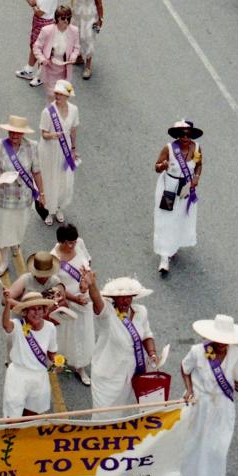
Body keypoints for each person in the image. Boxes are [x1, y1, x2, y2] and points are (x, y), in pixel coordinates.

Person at [178, 314, 238, 476]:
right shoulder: (198, 351)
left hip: (222, 409)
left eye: (225, 341)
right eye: (218, 340)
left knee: (218, 451)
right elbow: (185, 368)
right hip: (200, 406)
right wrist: (189, 389)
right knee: (195, 443)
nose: (221, 344)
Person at [85, 275, 157, 409]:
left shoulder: (140, 311)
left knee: (118, 413)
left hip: (128, 375)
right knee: (103, 414)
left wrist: (152, 354)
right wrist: (92, 285)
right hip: (107, 376)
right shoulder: (107, 313)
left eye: (130, 296)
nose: (126, 300)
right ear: (114, 298)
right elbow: (96, 300)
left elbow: (147, 335)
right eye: (122, 297)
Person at [0, 115, 46, 276]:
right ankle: (5, 261)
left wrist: (41, 193)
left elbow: (36, 171)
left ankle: (15, 243)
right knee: (4, 229)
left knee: (19, 227)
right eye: (11, 132)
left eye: (18, 133)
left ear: (24, 134)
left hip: (23, 197)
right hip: (4, 196)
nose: (14, 136)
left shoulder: (32, 147)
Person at [154, 119, 203, 275]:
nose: (185, 137)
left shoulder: (197, 148)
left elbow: (199, 164)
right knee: (166, 219)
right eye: (182, 134)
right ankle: (164, 256)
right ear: (177, 135)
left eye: (188, 134)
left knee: (180, 217)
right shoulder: (169, 149)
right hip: (168, 188)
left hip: (185, 189)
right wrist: (163, 166)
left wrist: (196, 177)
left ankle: (173, 245)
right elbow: (157, 166)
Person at [2, 291, 58, 417]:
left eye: (40, 309)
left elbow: (52, 353)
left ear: (44, 311)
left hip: (39, 377)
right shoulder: (17, 325)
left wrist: (57, 364)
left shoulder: (50, 328)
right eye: (33, 309)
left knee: (32, 416)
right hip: (18, 375)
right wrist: (7, 305)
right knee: (13, 416)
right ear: (25, 311)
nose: (37, 312)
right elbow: (6, 326)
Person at [51, 223, 94, 386]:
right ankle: (61, 357)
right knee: (66, 332)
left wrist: (85, 283)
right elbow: (55, 286)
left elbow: (88, 262)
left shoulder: (79, 243)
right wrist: (75, 299)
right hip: (68, 301)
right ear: (61, 241)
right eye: (69, 243)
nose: (73, 246)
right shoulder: (54, 258)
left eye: (74, 242)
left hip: (84, 297)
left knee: (82, 332)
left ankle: (80, 366)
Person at [39, 80, 79, 225]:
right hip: (50, 150)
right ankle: (48, 210)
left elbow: (73, 130)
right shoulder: (48, 112)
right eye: (56, 93)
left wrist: (74, 149)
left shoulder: (74, 110)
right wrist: (52, 135)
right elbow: (43, 134)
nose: (57, 96)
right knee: (50, 178)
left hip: (65, 149)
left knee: (64, 179)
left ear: (67, 96)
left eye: (60, 94)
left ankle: (60, 207)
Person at [17, 0, 58, 87]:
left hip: (45, 24)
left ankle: (41, 76)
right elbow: (33, 2)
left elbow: (40, 12)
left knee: (41, 50)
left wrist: (34, 8)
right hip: (37, 22)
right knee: (33, 46)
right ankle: (29, 70)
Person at [63, 0, 103, 80]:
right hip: (76, 15)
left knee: (88, 38)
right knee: (76, 36)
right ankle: (79, 57)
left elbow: (99, 3)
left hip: (89, 17)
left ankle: (88, 66)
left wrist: (100, 19)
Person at [33, 5, 80, 96]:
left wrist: (73, 57)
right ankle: (50, 110)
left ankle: (62, 109)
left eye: (69, 18)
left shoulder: (74, 30)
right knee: (53, 96)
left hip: (65, 70)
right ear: (57, 19)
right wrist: (42, 59)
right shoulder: (47, 30)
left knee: (65, 96)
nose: (66, 21)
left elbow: (76, 47)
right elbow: (37, 47)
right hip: (50, 69)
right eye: (63, 18)